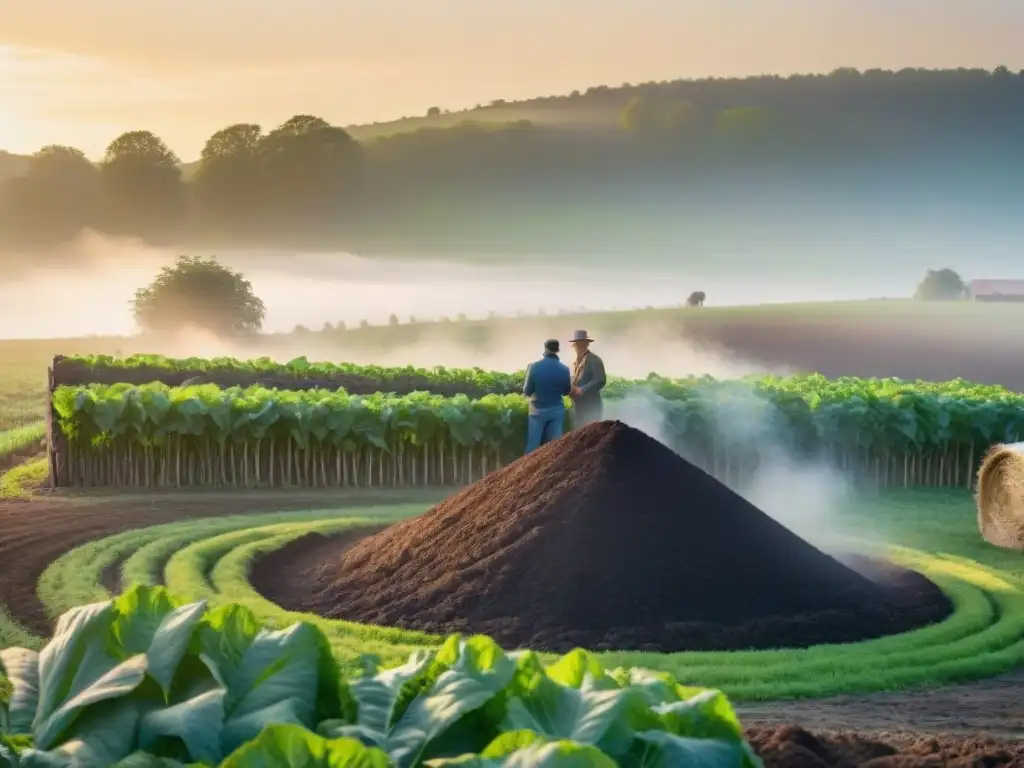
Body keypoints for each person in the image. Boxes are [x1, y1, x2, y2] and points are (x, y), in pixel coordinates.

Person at [523, 338, 572, 453]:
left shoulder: (534, 367)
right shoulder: (565, 369)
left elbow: (527, 391)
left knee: (533, 447)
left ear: (545, 349)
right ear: (558, 350)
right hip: (556, 410)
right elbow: (566, 391)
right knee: (555, 447)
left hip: (537, 411)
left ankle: (529, 469)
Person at [569, 330, 606, 426]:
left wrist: (582, 389)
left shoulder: (594, 360)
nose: (575, 347)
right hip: (580, 405)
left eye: (576, 344)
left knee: (592, 434)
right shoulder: (578, 360)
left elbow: (600, 380)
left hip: (591, 405)